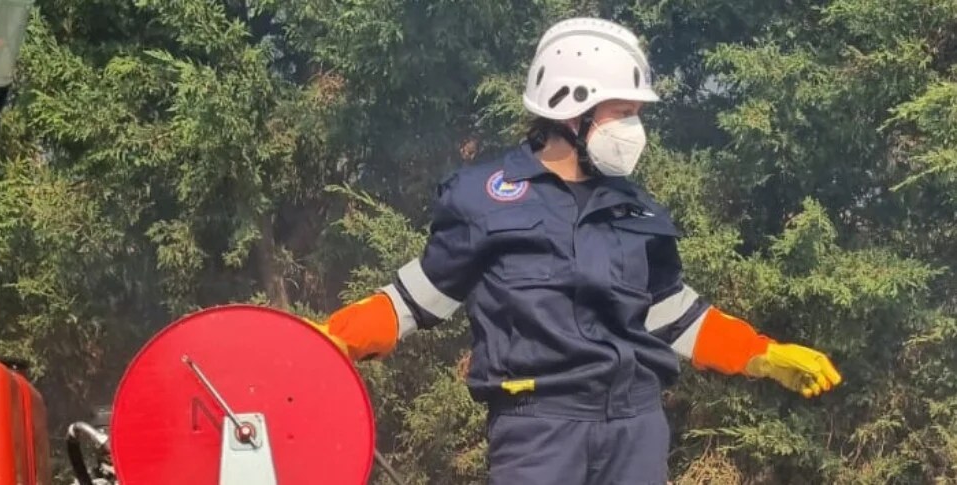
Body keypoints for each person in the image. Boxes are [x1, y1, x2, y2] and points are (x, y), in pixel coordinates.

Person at [309, 17, 842, 485]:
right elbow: (416, 298)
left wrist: (762, 355)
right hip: (538, 430)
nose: (635, 129)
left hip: (636, 426)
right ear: (571, 109)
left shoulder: (638, 210)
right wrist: (334, 340)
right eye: (623, 112)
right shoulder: (485, 198)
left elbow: (674, 316)